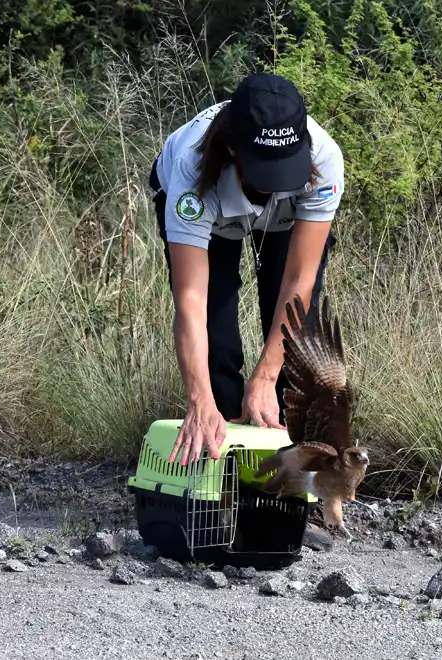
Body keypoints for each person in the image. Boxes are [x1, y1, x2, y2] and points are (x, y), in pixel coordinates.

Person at [148, 72, 344, 469]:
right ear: (235, 148)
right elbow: (191, 299)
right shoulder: (192, 168)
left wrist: (267, 375)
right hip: (211, 207)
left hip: (287, 221)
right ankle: (220, 465)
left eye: (284, 168)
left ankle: (290, 474)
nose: (274, 182)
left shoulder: (325, 158)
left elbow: (298, 282)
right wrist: (198, 399)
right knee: (217, 334)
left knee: (293, 347)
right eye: (264, 169)